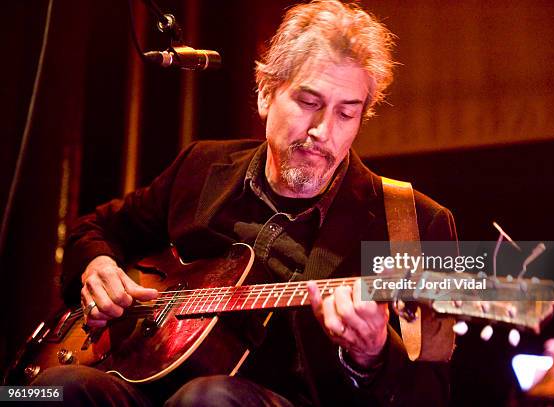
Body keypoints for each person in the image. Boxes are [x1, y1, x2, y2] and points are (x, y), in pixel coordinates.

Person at [34, 1, 457, 405]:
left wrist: (373, 357)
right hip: (141, 387)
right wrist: (98, 266)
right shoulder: (201, 165)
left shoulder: (414, 224)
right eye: (309, 103)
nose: (323, 131)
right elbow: (92, 229)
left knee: (209, 399)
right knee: (48, 390)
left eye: (346, 114)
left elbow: (433, 395)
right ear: (264, 95)